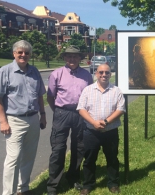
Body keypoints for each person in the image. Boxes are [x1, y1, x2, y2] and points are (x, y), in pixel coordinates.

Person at [0, 40, 46, 195]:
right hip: (14, 120)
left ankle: (23, 189)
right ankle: (9, 192)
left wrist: (43, 115)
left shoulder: (34, 71)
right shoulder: (5, 71)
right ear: (14, 53)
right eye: (20, 52)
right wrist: (3, 121)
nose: (23, 55)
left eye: (27, 53)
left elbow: (40, 96)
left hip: (33, 118)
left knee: (29, 156)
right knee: (13, 158)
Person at [46, 45, 93, 195]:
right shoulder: (56, 74)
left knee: (79, 147)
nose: (72, 59)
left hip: (81, 113)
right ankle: (53, 184)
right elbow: (50, 97)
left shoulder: (86, 75)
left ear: (80, 58)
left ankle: (73, 177)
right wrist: (58, 112)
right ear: (65, 58)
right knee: (58, 148)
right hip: (62, 113)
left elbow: (91, 95)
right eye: (69, 56)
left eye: (75, 56)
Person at [77, 64, 125, 195]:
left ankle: (113, 183)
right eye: (101, 72)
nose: (104, 75)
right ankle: (88, 184)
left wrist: (105, 122)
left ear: (110, 74)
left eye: (107, 73)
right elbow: (81, 108)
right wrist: (93, 122)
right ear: (96, 74)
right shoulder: (88, 90)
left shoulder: (116, 91)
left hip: (110, 131)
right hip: (91, 131)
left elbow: (121, 109)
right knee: (89, 159)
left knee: (112, 158)